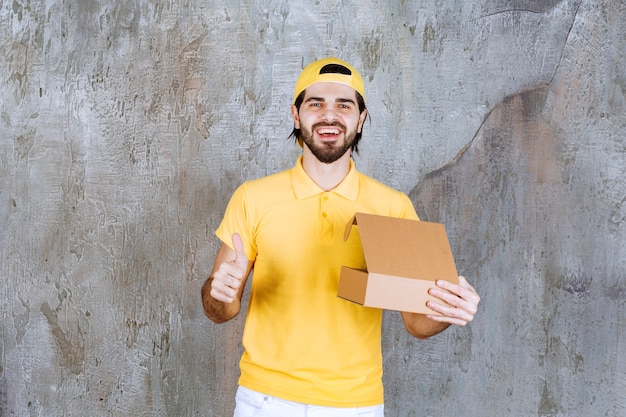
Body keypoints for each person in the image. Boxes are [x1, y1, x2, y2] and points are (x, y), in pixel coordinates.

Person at [201, 57, 480, 417]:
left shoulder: (392, 206)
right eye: (315, 103)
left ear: (361, 119)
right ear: (296, 115)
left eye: (344, 105)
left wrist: (448, 307)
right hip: (264, 400)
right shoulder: (253, 198)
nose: (329, 115)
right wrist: (219, 293)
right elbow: (220, 310)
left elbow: (417, 323)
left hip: (356, 405)